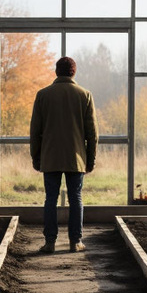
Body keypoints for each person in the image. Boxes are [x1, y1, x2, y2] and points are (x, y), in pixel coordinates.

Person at [29, 56, 97, 254]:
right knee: (76, 197)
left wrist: (36, 156)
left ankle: (50, 242)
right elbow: (92, 133)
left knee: (50, 198)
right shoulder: (84, 95)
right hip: (75, 158)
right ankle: (75, 241)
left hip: (50, 157)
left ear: (56, 72)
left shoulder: (43, 95)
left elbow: (35, 130)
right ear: (73, 72)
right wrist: (90, 159)